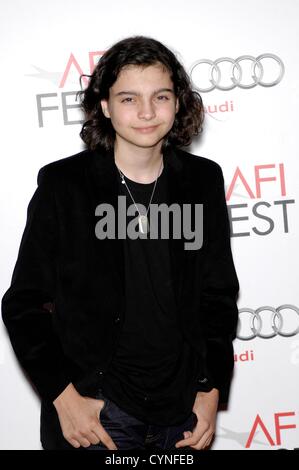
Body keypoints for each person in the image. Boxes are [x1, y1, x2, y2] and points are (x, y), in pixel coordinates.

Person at [1, 36, 239, 451]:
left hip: (182, 414)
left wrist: (211, 388)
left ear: (178, 103)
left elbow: (216, 296)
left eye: (160, 96)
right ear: (106, 107)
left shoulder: (202, 180)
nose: (147, 112)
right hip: (97, 415)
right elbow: (24, 304)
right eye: (129, 99)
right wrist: (63, 397)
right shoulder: (65, 186)